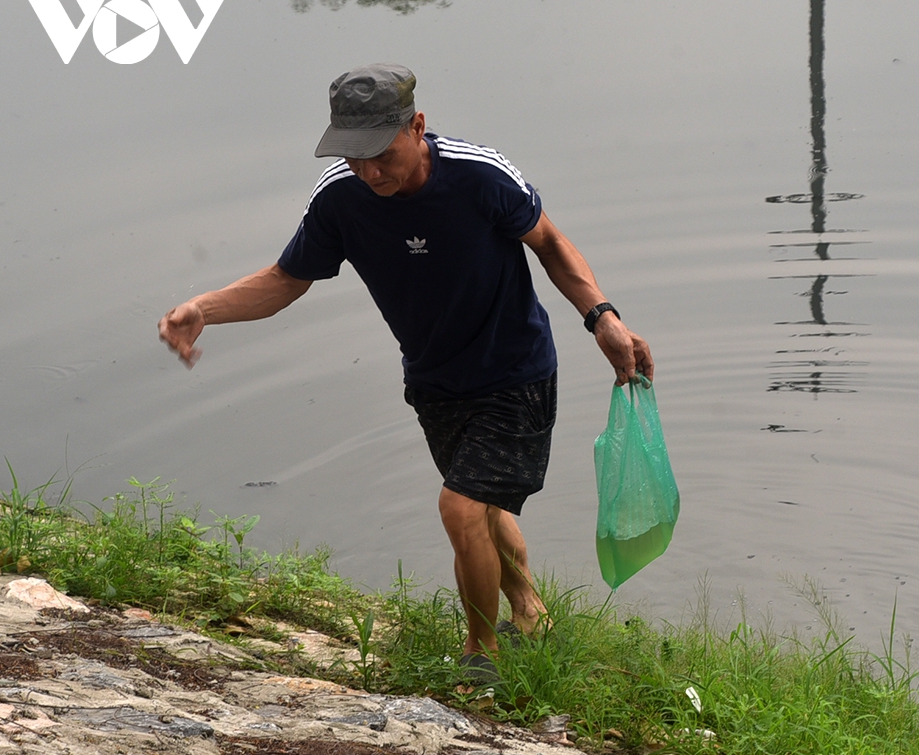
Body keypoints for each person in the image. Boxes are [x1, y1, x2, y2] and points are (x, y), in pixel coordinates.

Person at [158, 63, 653, 670]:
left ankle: (482, 655)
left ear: (417, 126)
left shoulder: (480, 177)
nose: (368, 171)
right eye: (352, 155)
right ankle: (528, 605)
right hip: (434, 379)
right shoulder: (341, 197)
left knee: (461, 505)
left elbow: (549, 243)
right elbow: (287, 280)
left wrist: (602, 317)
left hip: (514, 370)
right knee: (486, 508)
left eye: (380, 154)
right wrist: (203, 309)